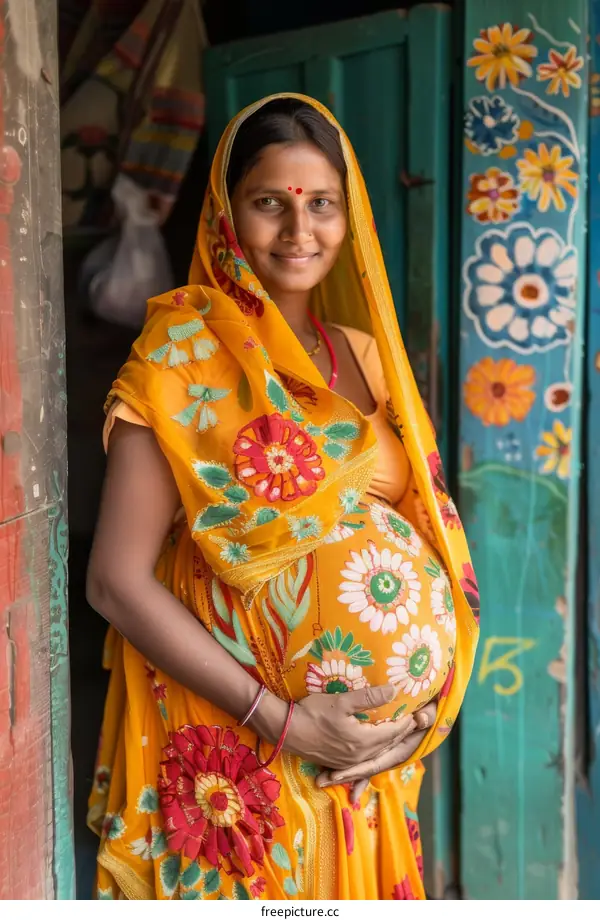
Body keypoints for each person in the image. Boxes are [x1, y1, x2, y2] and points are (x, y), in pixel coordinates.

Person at [86, 94, 479, 901]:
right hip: (239, 748)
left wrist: (416, 717)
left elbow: (429, 528)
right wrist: (285, 720)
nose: (301, 230)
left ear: (348, 214)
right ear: (226, 215)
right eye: (271, 202)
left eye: (322, 204)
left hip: (366, 768)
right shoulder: (180, 360)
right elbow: (114, 582)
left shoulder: (367, 355)